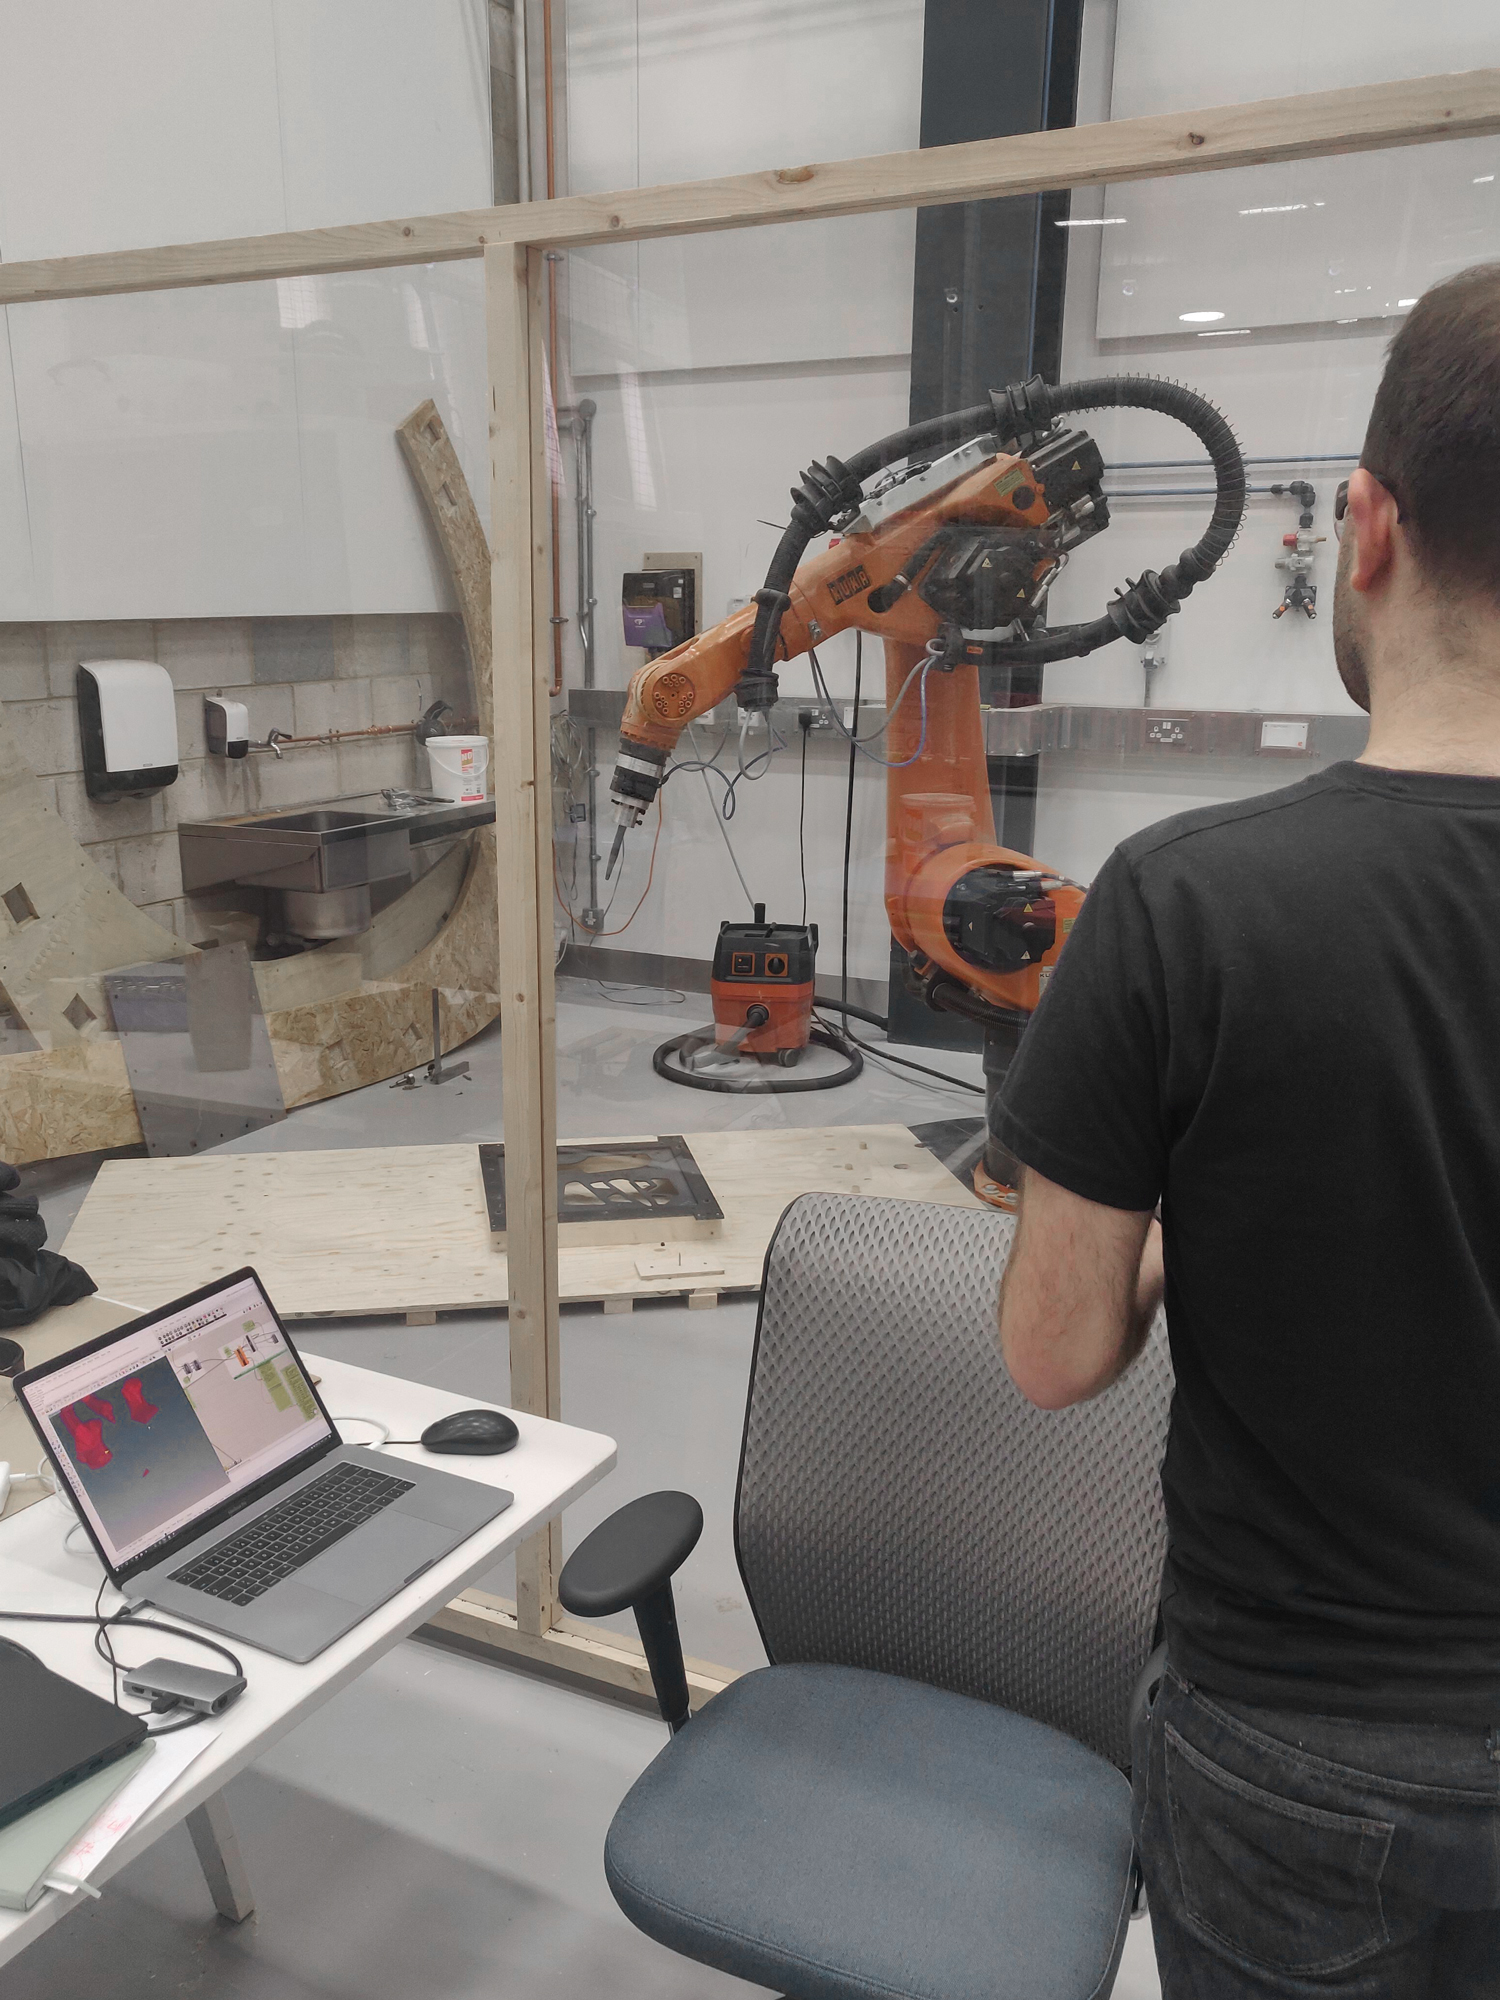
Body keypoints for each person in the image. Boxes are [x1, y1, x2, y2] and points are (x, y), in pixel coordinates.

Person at [994, 262, 1500, 1998]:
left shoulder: (1184, 903)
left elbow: (1055, 1353)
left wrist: (1179, 1236)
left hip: (1294, 1741)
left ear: (1368, 526)